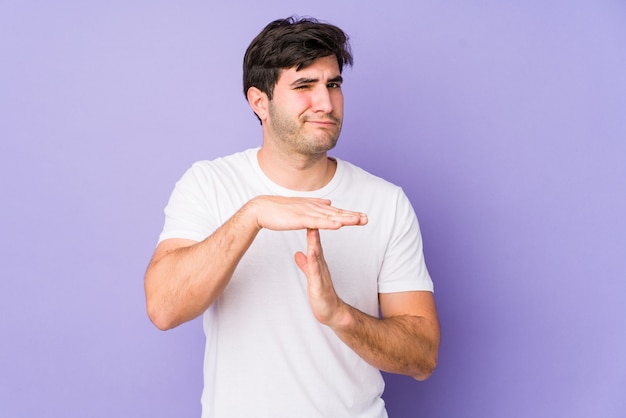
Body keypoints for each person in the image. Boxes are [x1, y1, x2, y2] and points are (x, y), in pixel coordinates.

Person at [145, 16, 440, 418]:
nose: (326, 102)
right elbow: (163, 307)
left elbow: (422, 357)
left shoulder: (385, 202)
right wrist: (253, 215)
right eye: (304, 86)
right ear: (259, 102)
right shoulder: (209, 183)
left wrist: (340, 314)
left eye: (333, 84)